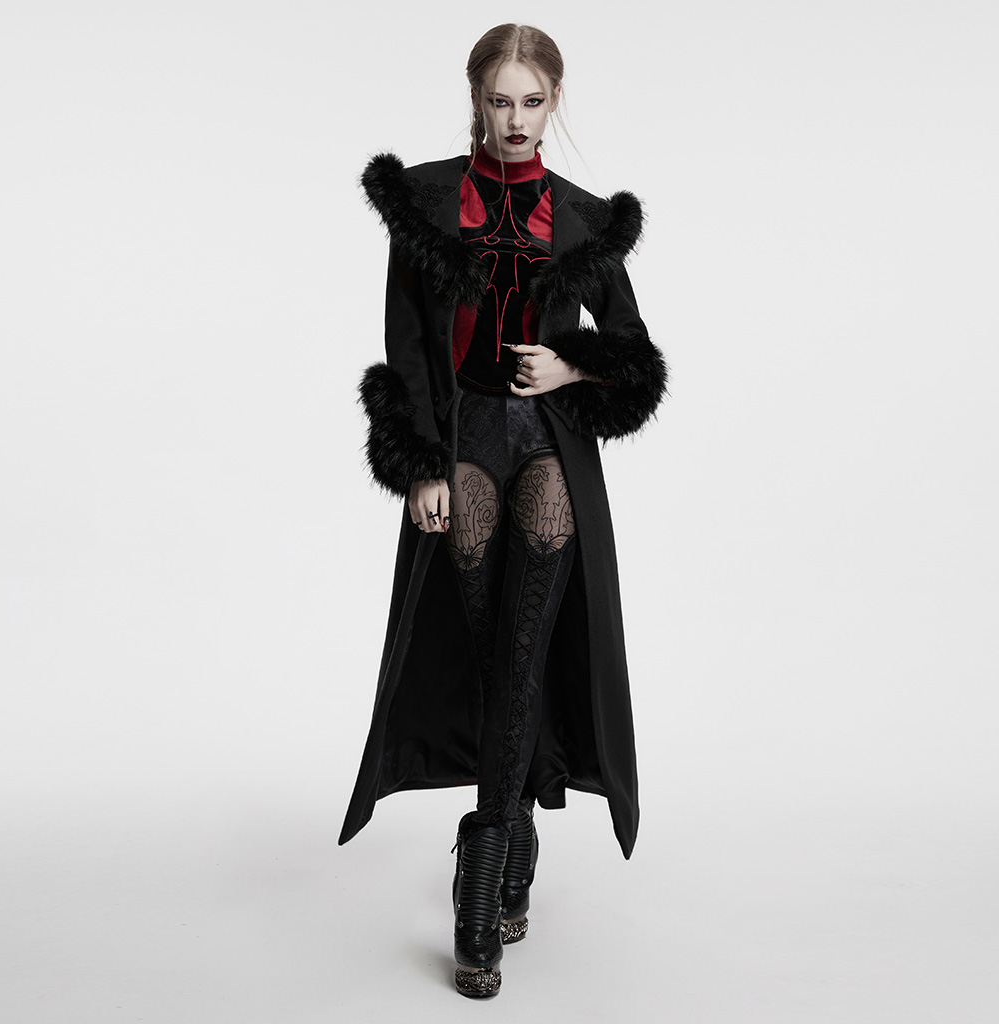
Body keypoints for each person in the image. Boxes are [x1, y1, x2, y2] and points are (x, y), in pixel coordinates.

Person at [338, 23, 667, 998]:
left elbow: (636, 355)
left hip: (549, 443)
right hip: (465, 441)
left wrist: (571, 366)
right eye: (499, 100)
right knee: (492, 651)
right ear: (475, 98)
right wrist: (418, 468)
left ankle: (478, 884)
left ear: (554, 101)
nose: (515, 119)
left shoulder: (587, 220)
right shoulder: (425, 203)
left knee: (523, 651)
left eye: (531, 101)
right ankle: (513, 822)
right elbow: (404, 349)